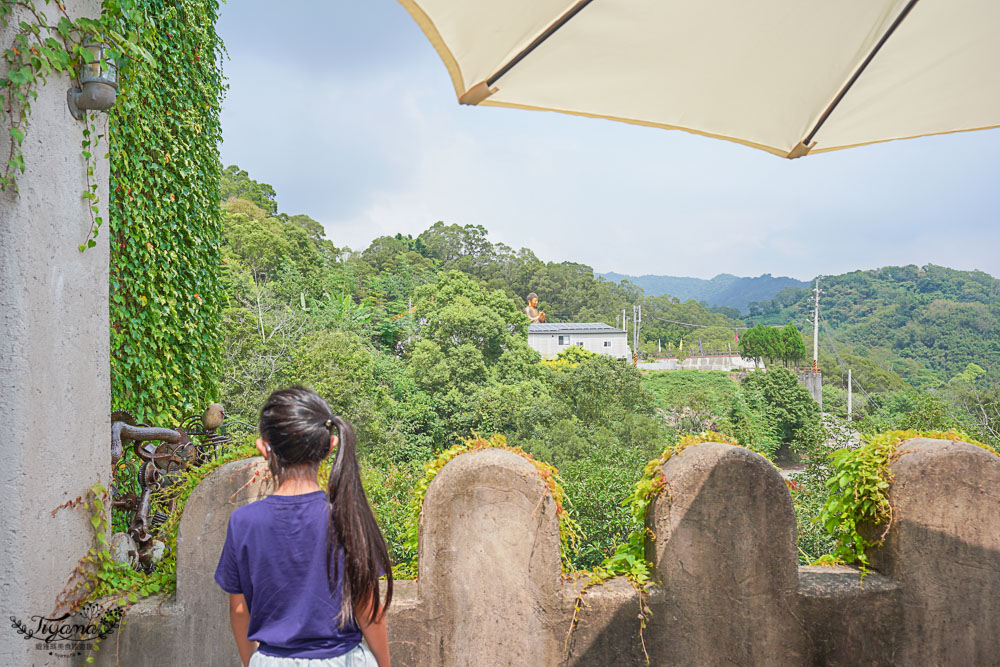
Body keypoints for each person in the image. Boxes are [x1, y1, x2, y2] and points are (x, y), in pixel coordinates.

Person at [215, 387, 393, 667]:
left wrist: (253, 662)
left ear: (264, 447)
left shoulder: (244, 522)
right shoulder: (349, 518)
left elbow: (239, 610)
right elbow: (368, 609)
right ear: (330, 445)